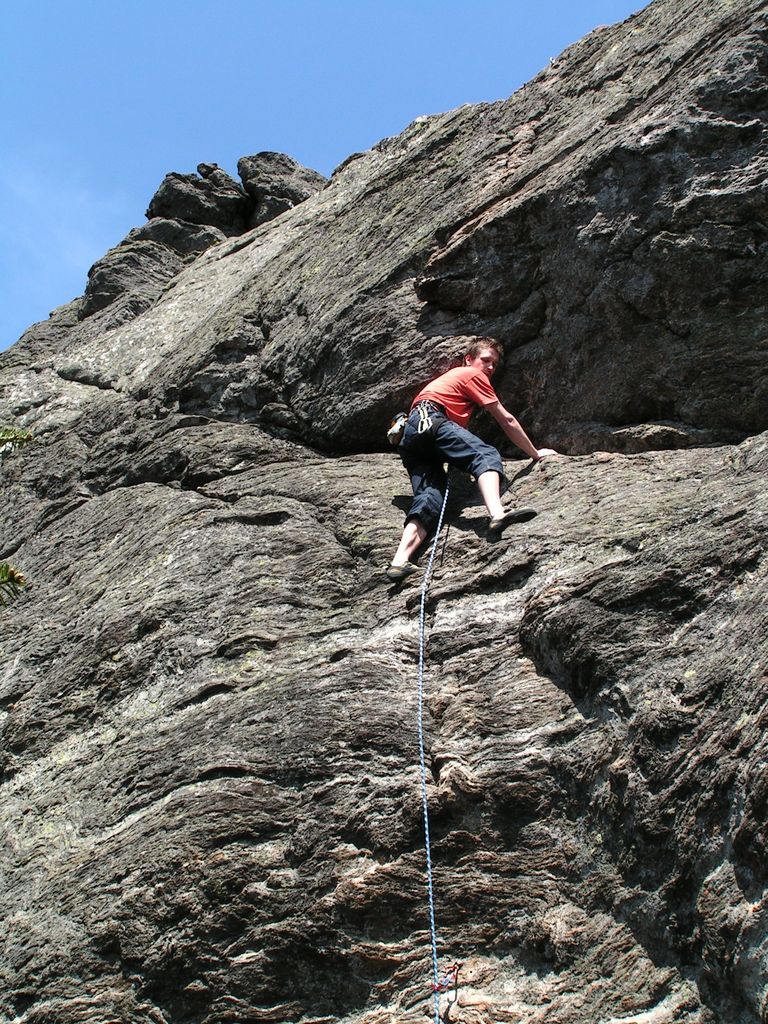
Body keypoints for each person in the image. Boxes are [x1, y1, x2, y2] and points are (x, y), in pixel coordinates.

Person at [387, 337, 557, 581]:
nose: (489, 368)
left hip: (413, 437)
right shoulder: (469, 374)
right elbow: (506, 419)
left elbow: (448, 438)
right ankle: (497, 515)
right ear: (469, 359)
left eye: (494, 365)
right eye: (485, 360)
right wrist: (535, 453)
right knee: (485, 454)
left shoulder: (449, 386)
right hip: (430, 418)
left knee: (430, 497)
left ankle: (399, 561)